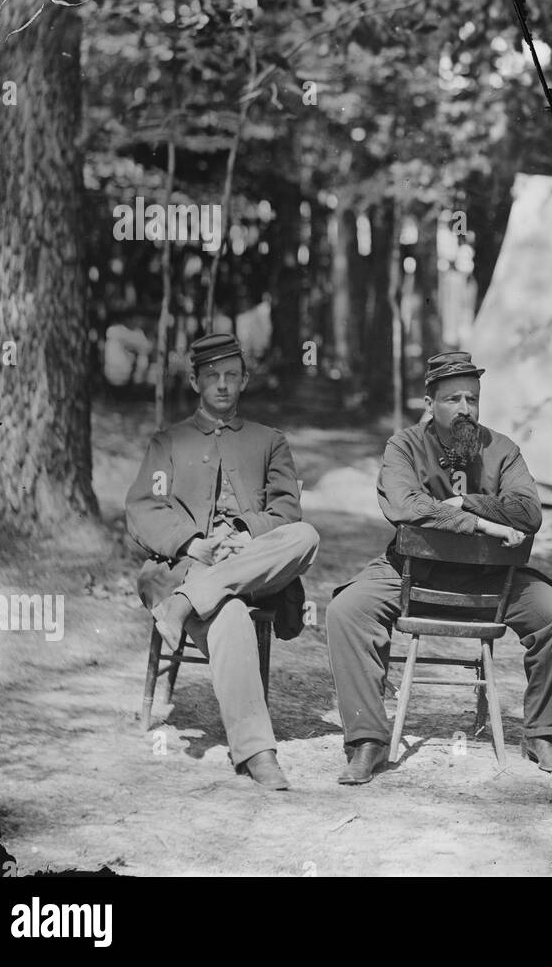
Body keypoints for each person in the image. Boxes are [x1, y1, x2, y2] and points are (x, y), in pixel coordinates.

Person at [325, 351, 552, 784]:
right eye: (452, 399)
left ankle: (541, 733)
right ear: (429, 403)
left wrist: (465, 502)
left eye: (472, 399)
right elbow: (405, 506)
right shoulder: (403, 446)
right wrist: (483, 524)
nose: (465, 409)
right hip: (411, 575)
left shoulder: (501, 450)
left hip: (491, 582)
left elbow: (529, 513)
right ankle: (367, 738)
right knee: (346, 611)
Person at [125, 333, 320, 791]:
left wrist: (244, 536)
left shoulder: (269, 441)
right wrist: (193, 543)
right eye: (212, 376)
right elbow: (143, 509)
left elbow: (288, 512)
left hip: (253, 564)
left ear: (245, 380)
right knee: (228, 612)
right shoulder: (168, 442)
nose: (223, 385)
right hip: (187, 564)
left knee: (306, 536)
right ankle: (257, 752)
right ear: (195, 380)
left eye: (233, 375)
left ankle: (186, 603)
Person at [103, 312, 152, 397]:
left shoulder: (125, 333)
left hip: (122, 376)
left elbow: (146, 346)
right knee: (142, 356)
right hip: (117, 375)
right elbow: (146, 345)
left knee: (141, 355)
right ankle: (138, 385)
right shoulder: (115, 330)